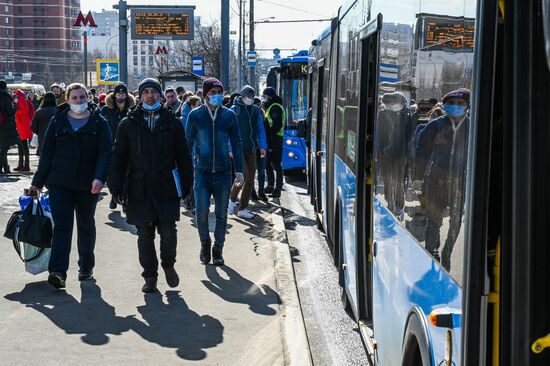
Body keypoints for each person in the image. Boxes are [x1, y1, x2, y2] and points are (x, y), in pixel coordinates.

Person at [109, 78, 193, 293]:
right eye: (146, 92)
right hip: (138, 187)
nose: (150, 96)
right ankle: (150, 276)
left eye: (154, 92)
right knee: (145, 235)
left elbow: (183, 156)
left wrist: (187, 185)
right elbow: (118, 156)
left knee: (169, 233)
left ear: (160, 95)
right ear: (140, 95)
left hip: (166, 186)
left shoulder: (172, 122)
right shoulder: (128, 123)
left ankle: (168, 265)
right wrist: (115, 186)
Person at [29, 83, 112, 289]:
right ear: (67, 99)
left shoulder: (98, 122)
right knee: (63, 227)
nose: (79, 101)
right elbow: (46, 153)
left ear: (88, 98)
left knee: (86, 224)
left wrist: (100, 177)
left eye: (82, 97)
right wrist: (37, 182)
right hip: (60, 182)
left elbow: (105, 152)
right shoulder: (57, 121)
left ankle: (86, 266)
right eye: (74, 98)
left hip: (87, 183)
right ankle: (58, 271)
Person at [186, 77, 244, 266]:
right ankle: (205, 243)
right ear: (205, 95)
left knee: (221, 214)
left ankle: (218, 249)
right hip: (201, 172)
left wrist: (239, 171)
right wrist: (186, 168)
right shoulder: (195, 115)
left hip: (223, 172)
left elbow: (236, 143)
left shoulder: (229, 116)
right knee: (201, 213)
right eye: (213, 93)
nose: (217, 96)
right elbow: (188, 142)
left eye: (220, 92)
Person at [416, 88, 471, 271]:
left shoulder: (473, 127)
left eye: (460, 104)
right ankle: (432, 253)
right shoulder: (436, 125)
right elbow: (422, 150)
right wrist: (418, 177)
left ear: (467, 107)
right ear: (445, 105)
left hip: (460, 183)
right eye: (452, 103)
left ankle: (447, 252)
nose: (455, 107)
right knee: (433, 220)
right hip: (435, 180)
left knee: (455, 222)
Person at [228, 86, 267, 218]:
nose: (251, 99)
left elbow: (260, 129)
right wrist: (229, 148)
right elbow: (228, 131)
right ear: (242, 96)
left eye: (252, 96)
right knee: (242, 176)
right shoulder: (234, 110)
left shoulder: (255, 111)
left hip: (251, 148)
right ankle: (232, 199)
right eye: (248, 96)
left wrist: (263, 146)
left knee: (250, 179)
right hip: (237, 149)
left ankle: (242, 208)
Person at [100, 83, 135, 210]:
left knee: (126, 175)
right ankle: (114, 195)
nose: (121, 96)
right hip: (110, 147)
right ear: (114, 95)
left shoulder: (132, 110)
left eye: (123, 94)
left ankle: (124, 199)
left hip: (127, 148)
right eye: (118, 94)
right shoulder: (105, 110)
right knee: (111, 176)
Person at [376, 92, 411, 216]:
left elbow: (408, 135)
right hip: (385, 153)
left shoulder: (406, 115)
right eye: (391, 101)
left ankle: (399, 205)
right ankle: (389, 203)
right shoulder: (382, 114)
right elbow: (379, 134)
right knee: (387, 180)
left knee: (398, 180)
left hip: (400, 154)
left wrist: (408, 154)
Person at [262, 87, 285, 198]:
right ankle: (270, 185)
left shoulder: (275, 107)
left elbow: (277, 125)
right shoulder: (271, 106)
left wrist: (270, 138)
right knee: (268, 164)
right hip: (271, 139)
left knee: (276, 165)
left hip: (275, 139)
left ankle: (278, 188)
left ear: (270, 96)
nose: (264, 98)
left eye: (265, 96)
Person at [0, 80, 20, 174]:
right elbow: (10, 111)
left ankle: (5, 169)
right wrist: (15, 104)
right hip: (5, 125)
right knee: (4, 148)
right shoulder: (5, 97)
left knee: (3, 147)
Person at [13, 89, 35, 172]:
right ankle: (22, 164)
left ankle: (25, 165)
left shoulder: (20, 99)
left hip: (23, 124)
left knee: (23, 146)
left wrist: (16, 111)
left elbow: (25, 110)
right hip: (23, 124)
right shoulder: (22, 99)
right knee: (22, 145)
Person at [31, 92, 56, 156]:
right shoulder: (59, 111)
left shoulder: (39, 112)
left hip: (43, 141)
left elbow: (33, 127)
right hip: (57, 142)